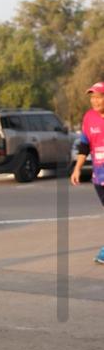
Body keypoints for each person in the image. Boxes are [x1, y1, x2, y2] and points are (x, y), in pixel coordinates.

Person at [70, 81, 104, 264]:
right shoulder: (89, 118)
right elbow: (84, 146)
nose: (95, 101)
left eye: (99, 97)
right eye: (93, 97)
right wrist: (77, 169)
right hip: (99, 176)